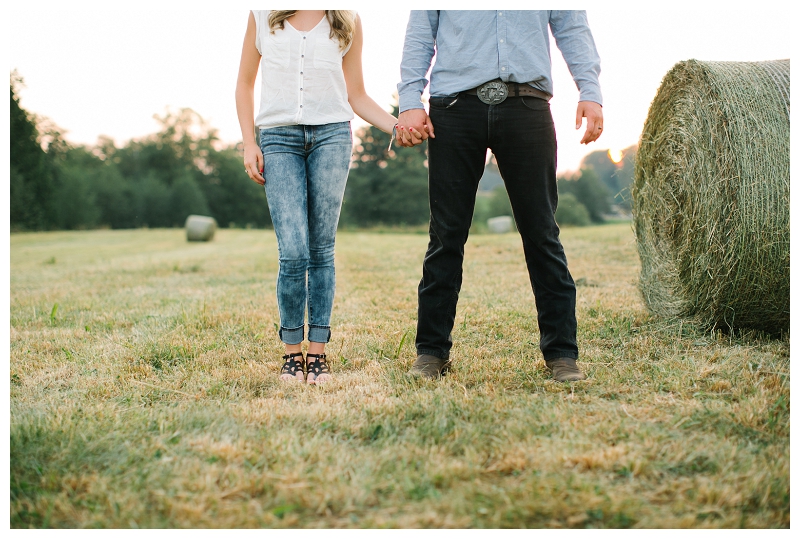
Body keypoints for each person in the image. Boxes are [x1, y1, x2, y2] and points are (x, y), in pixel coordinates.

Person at [395, 10, 603, 382]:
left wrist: (590, 90)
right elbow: (419, 34)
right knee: (446, 235)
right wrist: (411, 98)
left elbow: (573, 28)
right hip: (454, 110)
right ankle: (431, 352)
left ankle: (561, 354)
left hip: (528, 106)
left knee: (542, 232)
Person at [236, 10, 398, 384]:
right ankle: (292, 353)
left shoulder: (348, 19)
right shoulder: (262, 14)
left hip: (332, 137)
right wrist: (248, 142)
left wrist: (397, 125)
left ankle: (318, 353)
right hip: (278, 138)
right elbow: (244, 84)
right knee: (293, 251)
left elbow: (356, 95)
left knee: (322, 250)